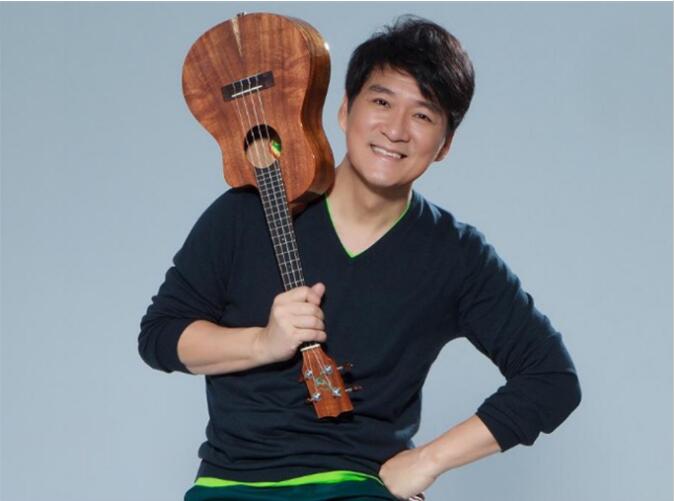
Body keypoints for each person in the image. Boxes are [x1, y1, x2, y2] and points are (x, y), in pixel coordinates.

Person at [138, 15, 581, 501]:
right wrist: (263, 343)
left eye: (423, 115)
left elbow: (551, 380)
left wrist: (427, 461)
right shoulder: (247, 212)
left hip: (356, 485)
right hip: (231, 484)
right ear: (345, 110)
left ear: (445, 145)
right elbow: (160, 336)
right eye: (381, 102)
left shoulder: (456, 255)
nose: (395, 130)